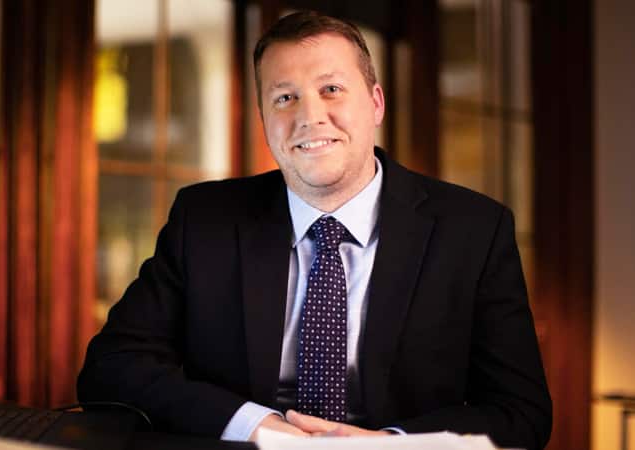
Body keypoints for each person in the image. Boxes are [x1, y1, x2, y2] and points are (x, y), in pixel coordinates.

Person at [78, 10, 552, 450]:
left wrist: (384, 443)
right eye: (285, 98)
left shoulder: (473, 231)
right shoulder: (204, 220)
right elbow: (112, 367)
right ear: (264, 119)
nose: (309, 117)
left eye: (331, 89)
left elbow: (520, 412)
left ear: (376, 103)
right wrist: (255, 426)